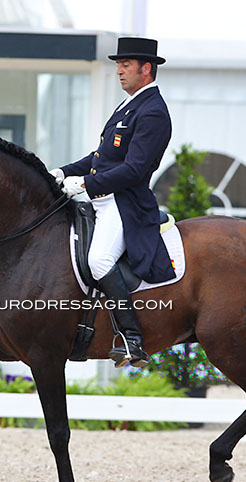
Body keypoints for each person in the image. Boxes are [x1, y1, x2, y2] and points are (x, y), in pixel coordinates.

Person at [51, 37, 176, 368]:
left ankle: (132, 340)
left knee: (99, 262)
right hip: (101, 200)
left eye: (125, 66)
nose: (118, 72)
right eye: (118, 66)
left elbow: (135, 169)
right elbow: (100, 157)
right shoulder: (128, 106)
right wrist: (63, 171)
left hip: (124, 204)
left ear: (146, 69)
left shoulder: (153, 112)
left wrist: (85, 184)